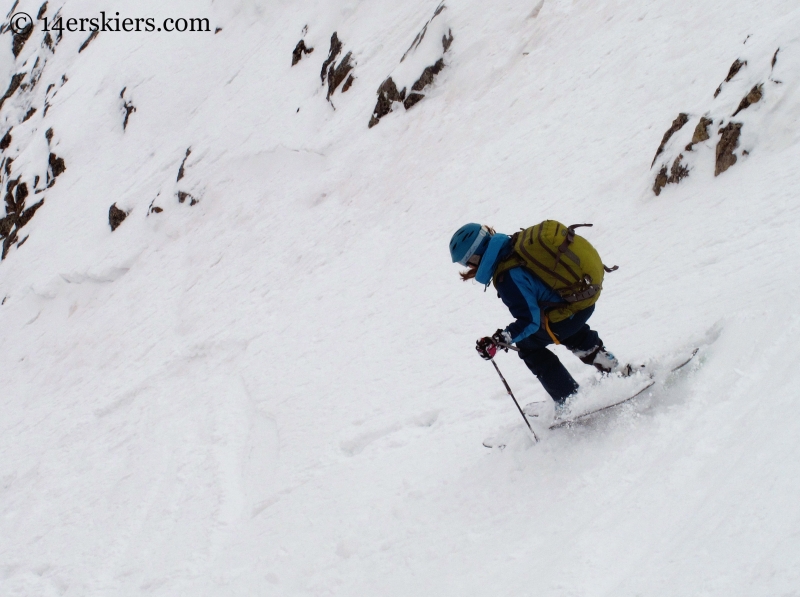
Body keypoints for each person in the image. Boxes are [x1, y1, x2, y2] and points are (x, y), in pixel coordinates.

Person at [449, 223, 621, 417]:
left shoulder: (507, 276)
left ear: (475, 257)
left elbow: (530, 321)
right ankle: (612, 367)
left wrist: (502, 339)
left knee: (528, 345)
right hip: (581, 302)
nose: (469, 267)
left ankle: (569, 399)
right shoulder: (514, 245)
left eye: (467, 263)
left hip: (567, 313)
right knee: (559, 325)